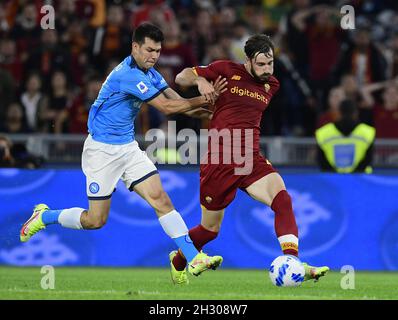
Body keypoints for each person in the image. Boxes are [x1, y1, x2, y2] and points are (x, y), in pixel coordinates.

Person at [19, 23, 225, 278]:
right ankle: (45, 216)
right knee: (95, 220)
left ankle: (193, 258)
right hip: (101, 152)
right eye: (149, 50)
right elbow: (168, 108)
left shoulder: (151, 74)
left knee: (160, 199)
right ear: (135, 47)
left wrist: (216, 111)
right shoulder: (128, 75)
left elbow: (179, 102)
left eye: (158, 51)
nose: (153, 56)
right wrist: (205, 99)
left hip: (127, 148)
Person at [172, 34, 329, 285]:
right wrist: (201, 80)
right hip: (220, 159)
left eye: (270, 64)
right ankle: (178, 261)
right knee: (209, 230)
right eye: (261, 64)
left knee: (282, 199)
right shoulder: (224, 70)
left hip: (250, 157)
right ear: (247, 60)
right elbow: (181, 77)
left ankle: (292, 260)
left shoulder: (272, 85)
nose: (267, 70)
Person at [316, 99, 375, 173]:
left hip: (332, 181)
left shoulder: (323, 132)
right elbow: (368, 159)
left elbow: (321, 160)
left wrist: (337, 176)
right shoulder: (367, 132)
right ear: (356, 113)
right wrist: (354, 175)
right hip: (361, 181)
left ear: (339, 112)